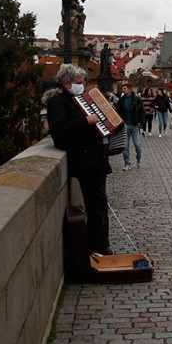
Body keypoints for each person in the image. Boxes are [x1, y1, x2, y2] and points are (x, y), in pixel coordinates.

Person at [43, 64, 113, 255]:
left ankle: (100, 245)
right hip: (85, 162)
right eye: (79, 83)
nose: (82, 86)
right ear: (66, 83)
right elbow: (58, 131)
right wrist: (86, 121)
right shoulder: (58, 102)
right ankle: (98, 248)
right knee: (97, 206)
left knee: (99, 205)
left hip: (93, 159)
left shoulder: (77, 99)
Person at [115, 83, 145, 171]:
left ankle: (138, 158)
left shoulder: (136, 99)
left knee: (137, 145)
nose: (123, 90)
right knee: (125, 146)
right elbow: (117, 112)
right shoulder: (121, 100)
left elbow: (142, 111)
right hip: (124, 126)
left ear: (129, 89)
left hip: (134, 125)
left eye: (124, 88)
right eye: (122, 88)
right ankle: (127, 163)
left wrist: (141, 122)